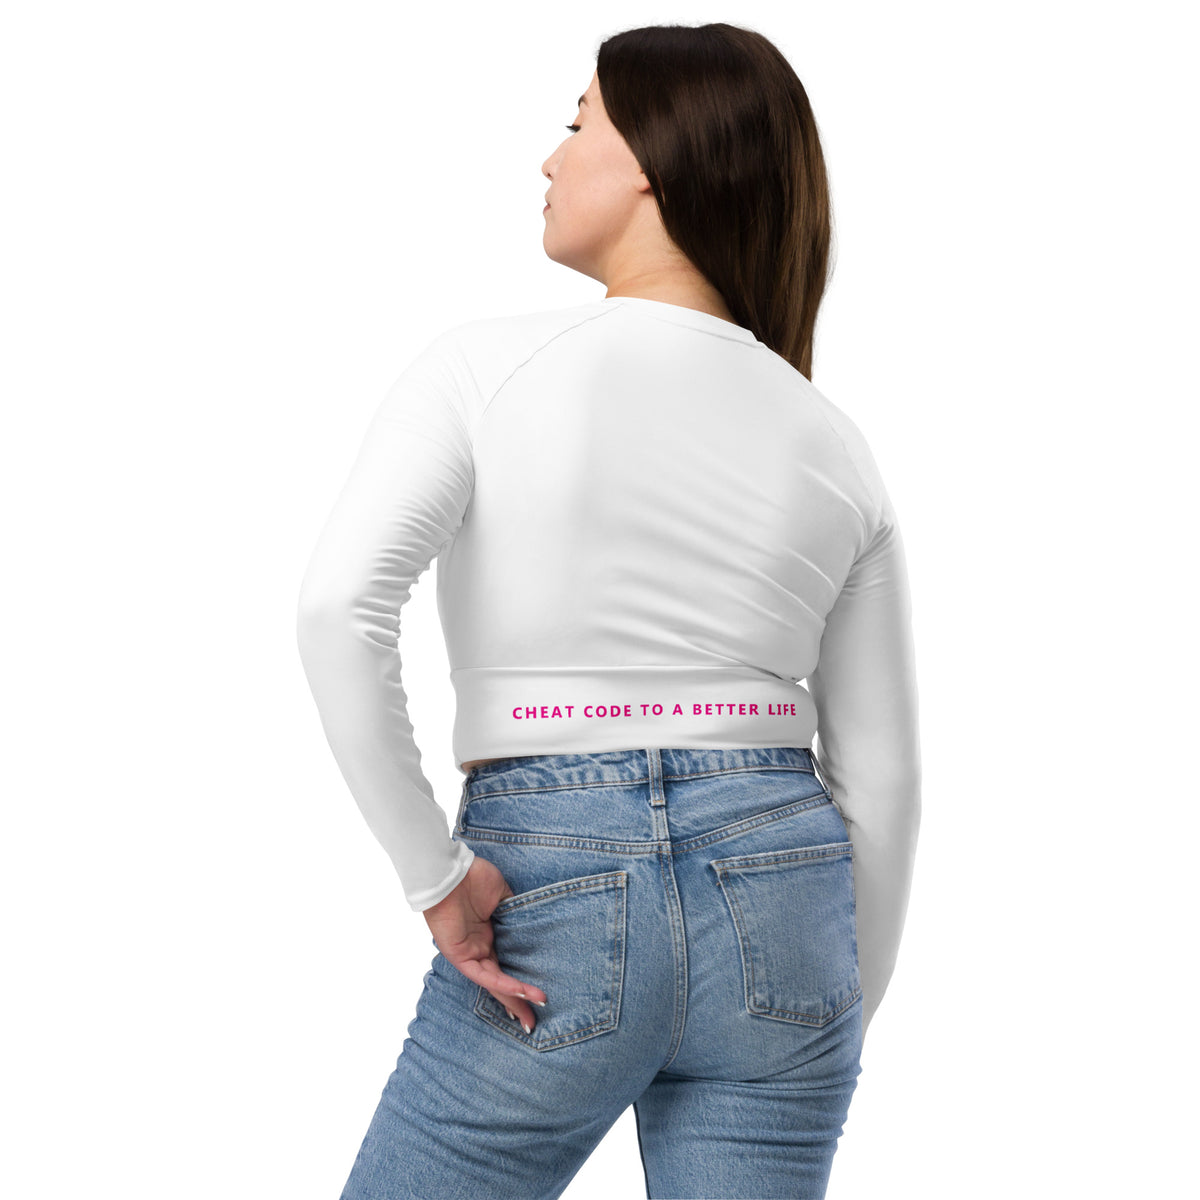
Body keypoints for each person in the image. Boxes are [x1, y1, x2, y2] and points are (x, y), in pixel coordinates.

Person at [295, 21, 921, 1200]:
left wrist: (436, 877)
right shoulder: (833, 441)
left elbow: (339, 609)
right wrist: (827, 1012)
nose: (549, 158)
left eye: (576, 121)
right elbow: (883, 783)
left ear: (649, 159)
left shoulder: (485, 368)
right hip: (786, 898)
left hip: (554, 887)